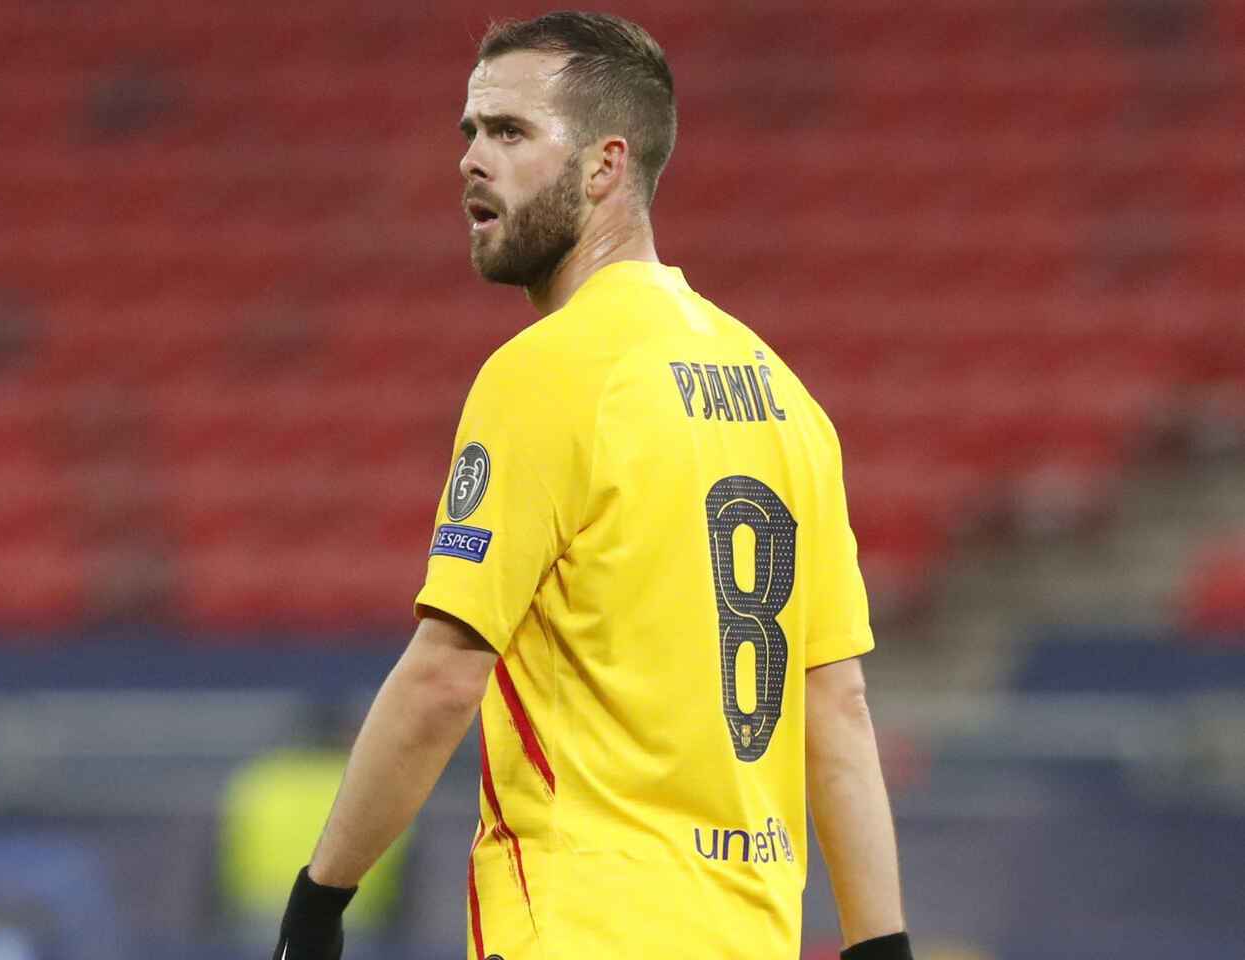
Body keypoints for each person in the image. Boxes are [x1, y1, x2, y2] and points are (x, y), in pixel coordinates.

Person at [272, 11, 912, 960]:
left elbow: (447, 674)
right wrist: (879, 946)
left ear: (607, 165)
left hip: (578, 923)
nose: (472, 160)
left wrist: (321, 898)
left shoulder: (547, 373)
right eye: (471, 132)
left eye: (511, 132)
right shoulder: (784, 396)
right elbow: (839, 706)